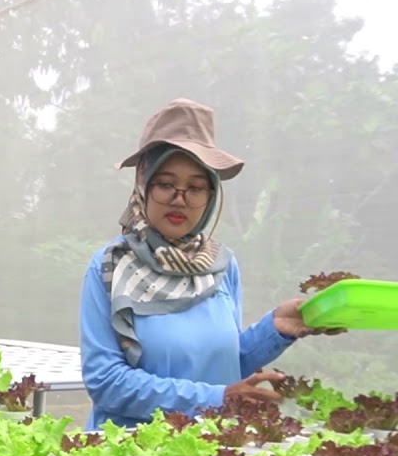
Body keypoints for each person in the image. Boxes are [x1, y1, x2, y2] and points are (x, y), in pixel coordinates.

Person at [79, 98, 340, 429]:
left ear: (211, 195)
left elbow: (225, 366)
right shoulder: (111, 266)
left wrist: (276, 329)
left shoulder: (220, 265)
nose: (180, 199)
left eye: (196, 187)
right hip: (130, 454)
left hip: (209, 450)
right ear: (143, 184)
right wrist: (216, 399)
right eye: (165, 184)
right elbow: (106, 382)